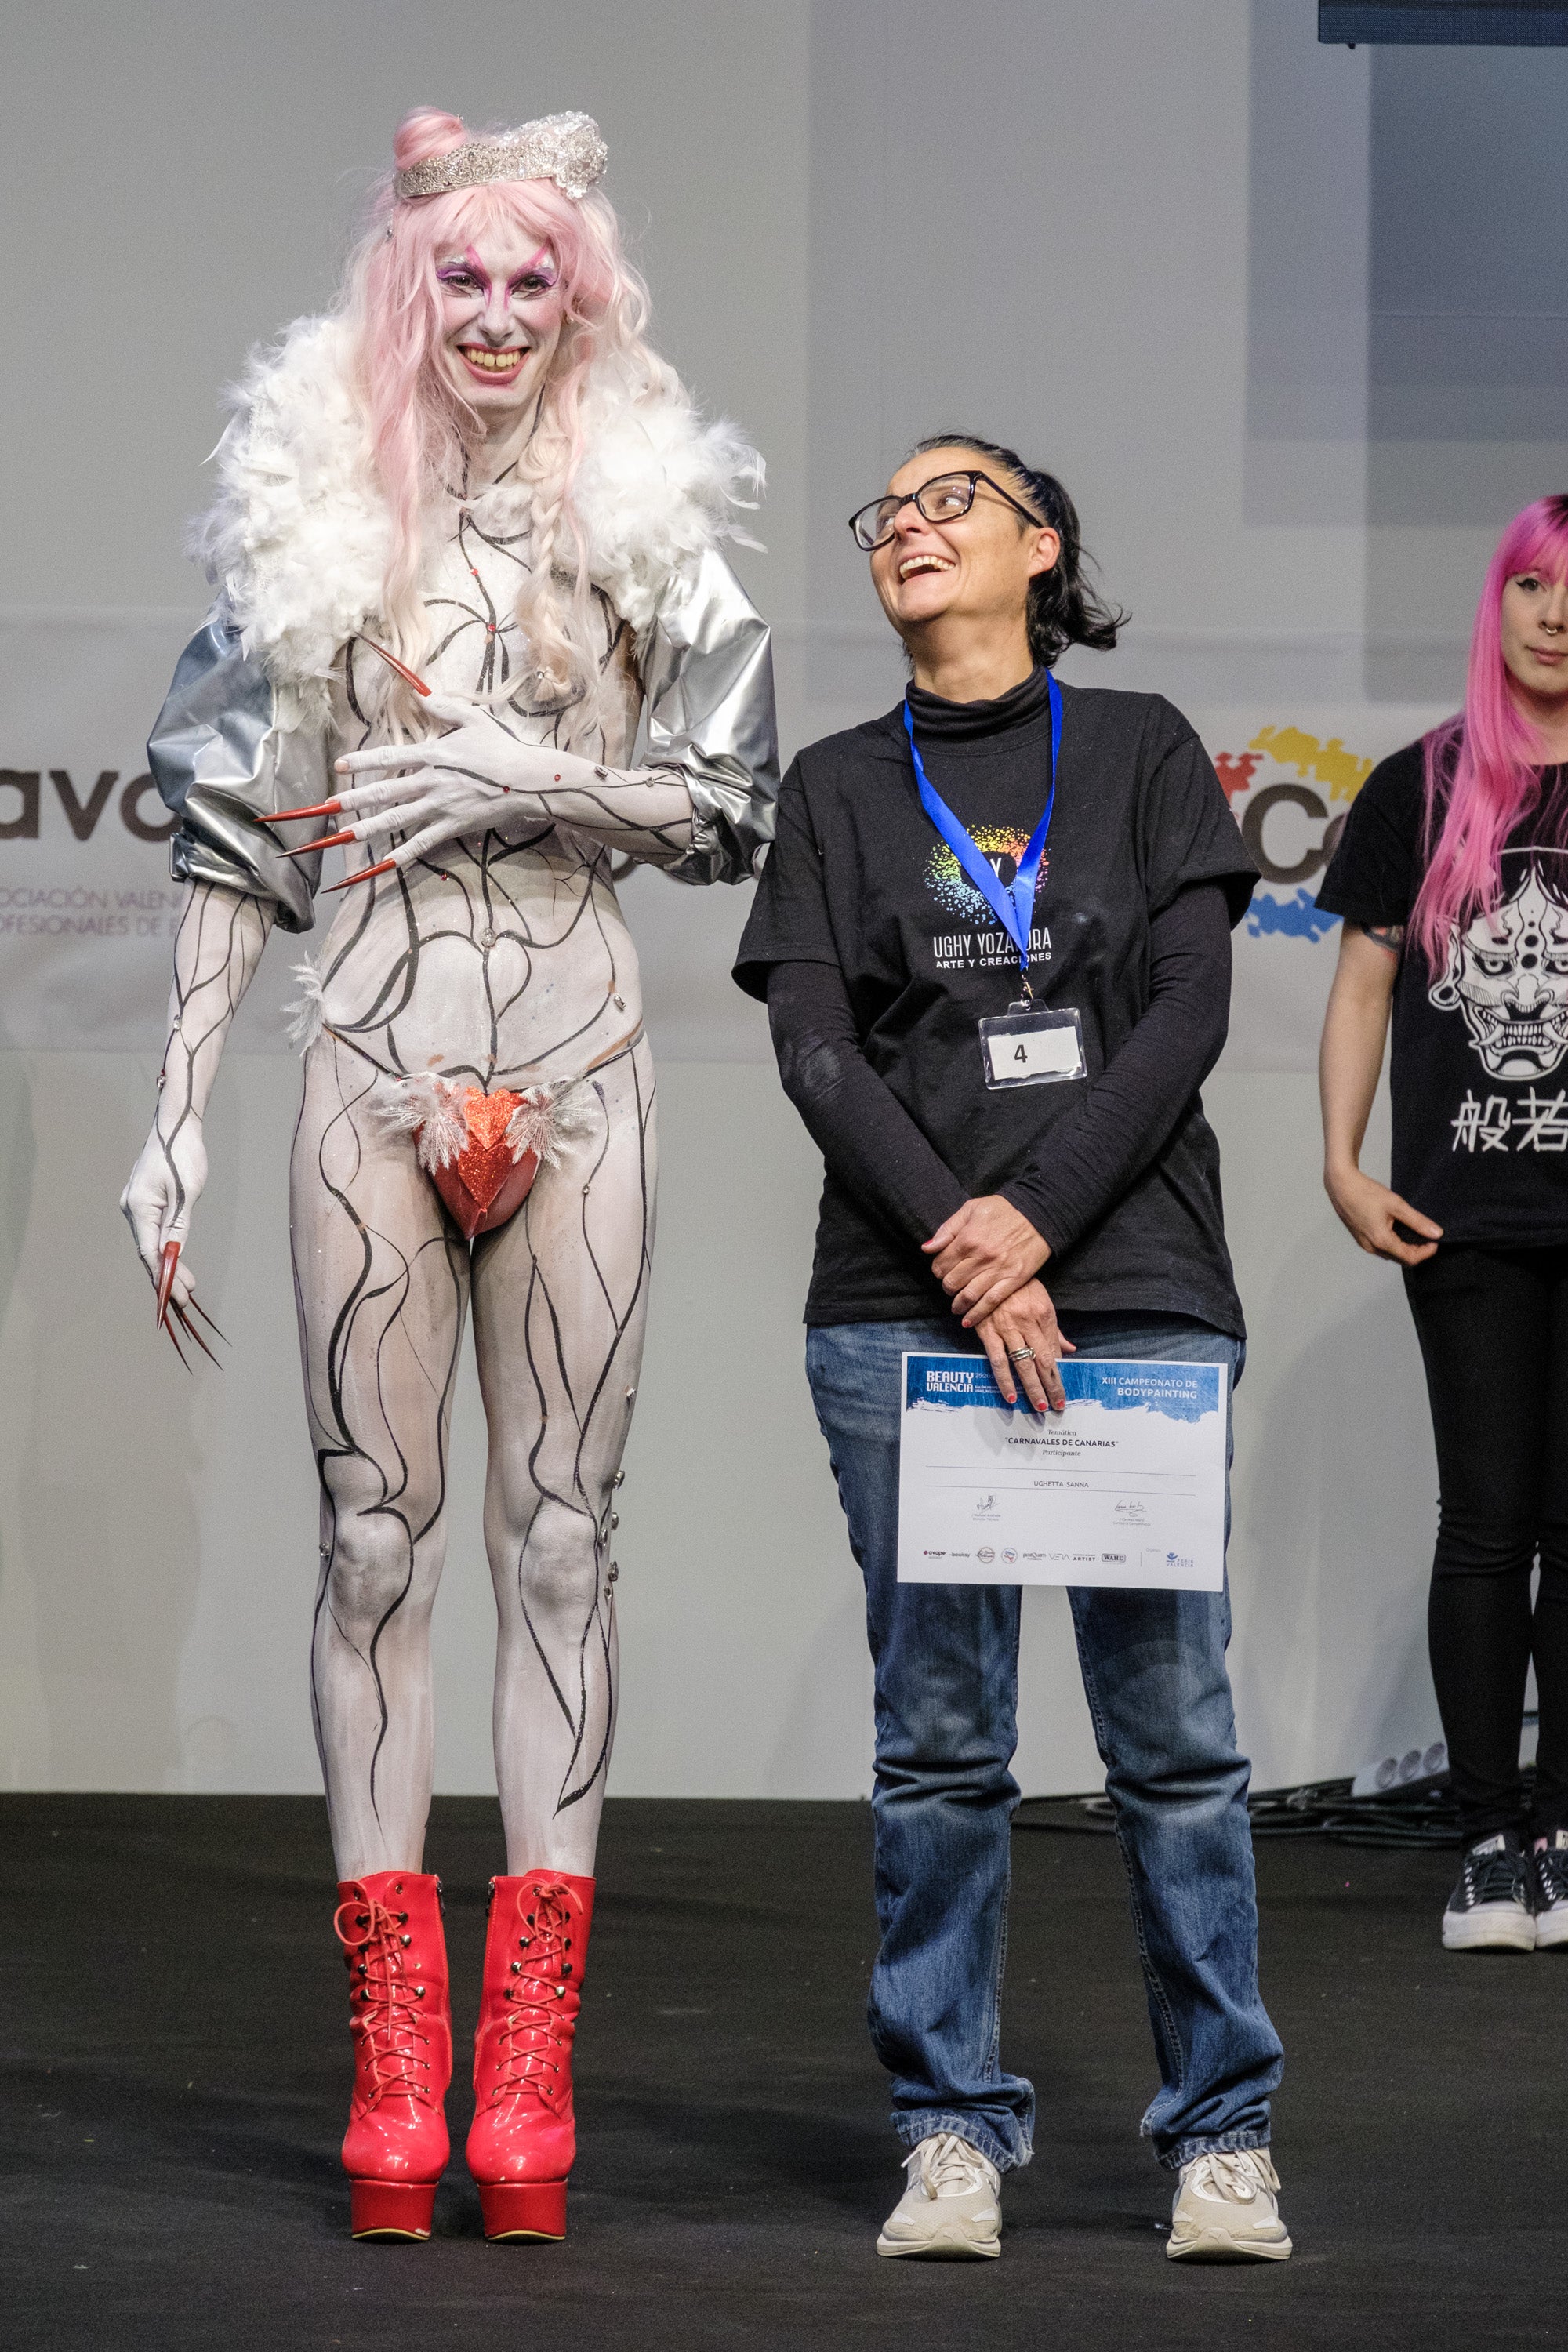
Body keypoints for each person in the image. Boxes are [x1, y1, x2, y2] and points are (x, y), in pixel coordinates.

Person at [118, 106, 777, 2243]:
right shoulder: (328, 515)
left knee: (567, 1541)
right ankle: (397, 2061)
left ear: (581, 299)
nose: (498, 317)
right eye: (465, 280)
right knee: (374, 1546)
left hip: (577, 1052)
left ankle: (530, 2068)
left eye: (535, 281)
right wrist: (178, 1102)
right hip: (373, 1059)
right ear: (413, 292)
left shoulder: (648, 522)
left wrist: (536, 767)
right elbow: (234, 829)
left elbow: (733, 795)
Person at [733, 435, 1290, 2263]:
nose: (903, 527)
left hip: (1130, 1289)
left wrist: (1034, 1221)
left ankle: (1221, 2136)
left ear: (1040, 545)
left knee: (1175, 1741)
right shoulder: (830, 785)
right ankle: (951, 2128)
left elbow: (1189, 1010)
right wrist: (972, 1262)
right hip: (902, 1311)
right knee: (943, 1750)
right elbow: (817, 1053)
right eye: (880, 514)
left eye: (946, 500)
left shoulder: (1132, 748)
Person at [1317, 495, 1568, 1957]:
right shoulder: (1424, 783)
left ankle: (1562, 1829)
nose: (1553, 613)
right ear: (1499, 601)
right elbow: (1360, 989)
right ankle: (1489, 1837)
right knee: (1486, 1524)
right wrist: (1343, 1167)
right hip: (1460, 1216)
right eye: (1530, 585)